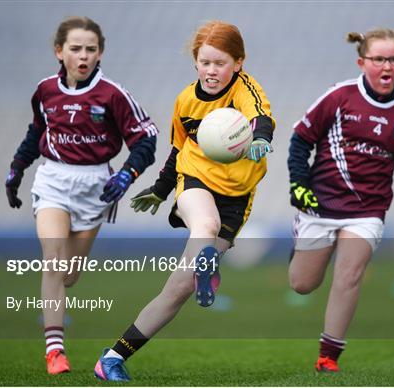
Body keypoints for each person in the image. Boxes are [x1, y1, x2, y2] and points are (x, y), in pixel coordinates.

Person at [93, 20, 275, 382]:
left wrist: (260, 138)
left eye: (220, 63)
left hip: (236, 198)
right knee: (203, 225)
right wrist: (161, 190)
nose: (212, 70)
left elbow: (261, 117)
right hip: (194, 181)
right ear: (195, 62)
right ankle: (207, 263)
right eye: (205, 62)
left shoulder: (245, 89)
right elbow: (178, 148)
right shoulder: (185, 100)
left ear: (238, 63)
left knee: (178, 288)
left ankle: (111, 357)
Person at [4, 16, 158, 375]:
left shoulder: (113, 95)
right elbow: (36, 132)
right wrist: (16, 169)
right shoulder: (45, 91)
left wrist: (127, 173)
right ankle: (55, 351)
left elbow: (146, 138)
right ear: (60, 52)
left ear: (100, 52)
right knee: (54, 260)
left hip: (96, 187)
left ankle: (57, 310)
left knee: (69, 275)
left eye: (90, 49)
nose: (83, 55)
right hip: (54, 179)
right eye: (75, 48)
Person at [287, 28, 394, 373]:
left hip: (367, 211)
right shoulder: (339, 97)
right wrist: (298, 185)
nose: (387, 66)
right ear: (362, 62)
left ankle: (327, 357)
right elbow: (300, 141)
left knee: (348, 275)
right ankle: (304, 245)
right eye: (379, 59)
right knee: (302, 284)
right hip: (320, 205)